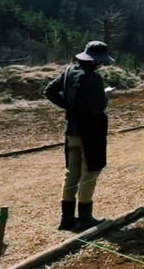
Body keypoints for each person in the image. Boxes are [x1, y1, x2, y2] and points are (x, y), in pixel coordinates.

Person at [44, 40, 114, 231]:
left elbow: (49, 91)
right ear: (96, 61)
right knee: (90, 172)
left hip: (72, 131)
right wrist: (105, 94)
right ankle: (84, 217)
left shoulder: (67, 72)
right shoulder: (95, 79)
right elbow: (99, 106)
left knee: (71, 173)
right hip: (90, 132)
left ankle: (66, 219)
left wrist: (69, 105)